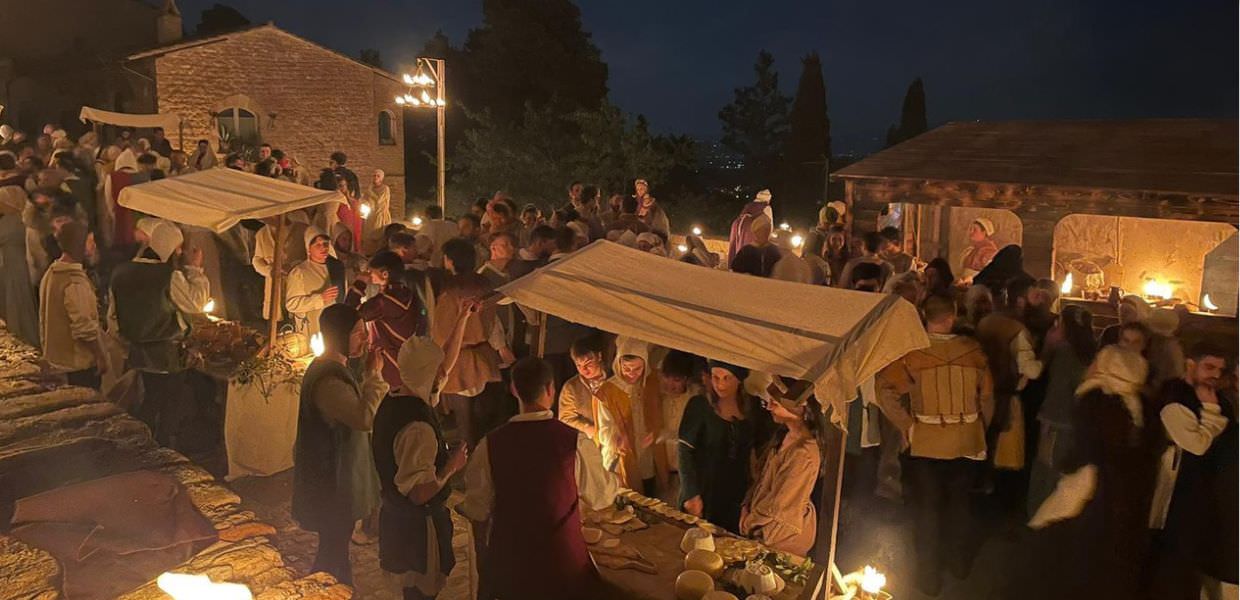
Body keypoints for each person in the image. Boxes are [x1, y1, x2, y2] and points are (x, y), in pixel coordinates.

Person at [461, 357, 618, 600]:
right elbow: (601, 497)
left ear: (514, 390)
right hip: (561, 565)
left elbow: (477, 509)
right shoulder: (574, 442)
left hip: (512, 564)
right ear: (550, 390)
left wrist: (485, 564)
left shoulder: (490, 445)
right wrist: (614, 478)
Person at [876, 295, 994, 595]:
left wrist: (906, 424)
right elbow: (987, 398)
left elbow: (884, 390)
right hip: (966, 439)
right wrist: (982, 429)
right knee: (960, 505)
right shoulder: (973, 351)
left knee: (926, 512)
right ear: (952, 315)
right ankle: (957, 564)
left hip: (925, 441)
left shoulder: (912, 355)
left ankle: (927, 579)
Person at [1024, 346, 1153, 600]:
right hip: (1125, 491)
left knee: (1078, 551)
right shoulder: (1142, 402)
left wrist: (1067, 465)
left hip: (1094, 486)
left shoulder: (1095, 398)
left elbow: (1088, 447)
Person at [372, 300, 475, 600]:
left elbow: (444, 366)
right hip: (416, 528)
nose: (442, 375)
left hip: (396, 519)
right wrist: (451, 467)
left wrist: (462, 319)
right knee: (419, 590)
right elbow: (418, 492)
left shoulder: (398, 398)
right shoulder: (417, 428)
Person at [293, 304, 389, 586]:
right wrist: (375, 376)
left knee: (334, 548)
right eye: (359, 333)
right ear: (339, 336)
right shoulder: (328, 379)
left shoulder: (336, 369)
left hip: (336, 481)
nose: (365, 339)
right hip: (331, 484)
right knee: (333, 551)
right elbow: (363, 417)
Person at [108, 221, 209, 447]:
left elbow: (112, 317)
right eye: (178, 247)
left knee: (151, 397)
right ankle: (163, 448)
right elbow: (196, 303)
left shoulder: (121, 272)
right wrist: (195, 269)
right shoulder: (168, 276)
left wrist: (125, 345)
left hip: (138, 350)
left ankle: (141, 444)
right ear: (170, 247)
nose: (180, 252)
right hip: (167, 352)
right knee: (169, 403)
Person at [1149, 343, 1237, 600]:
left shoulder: (1217, 398)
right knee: (1177, 556)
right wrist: (1211, 413)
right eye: (1209, 367)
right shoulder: (1175, 395)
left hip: (1207, 490)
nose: (1216, 375)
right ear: (1190, 364)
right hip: (1178, 490)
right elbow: (1196, 445)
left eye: (1220, 370)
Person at [434, 239, 514, 448]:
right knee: (485, 420)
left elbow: (441, 331)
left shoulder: (449, 290)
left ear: (450, 261)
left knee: (466, 425)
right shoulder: (484, 283)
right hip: (484, 355)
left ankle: (472, 464)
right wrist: (501, 348)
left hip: (458, 359)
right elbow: (494, 321)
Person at [678, 361, 774, 533]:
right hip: (703, 490)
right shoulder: (699, 405)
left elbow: (763, 449)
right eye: (716, 377)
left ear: (739, 379)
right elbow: (684, 451)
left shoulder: (753, 408)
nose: (720, 384)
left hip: (736, 492)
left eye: (726, 378)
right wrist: (690, 492)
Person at [1027, 305, 1097, 515]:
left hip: (1059, 424)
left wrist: (1047, 423)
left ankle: (1041, 515)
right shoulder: (1093, 353)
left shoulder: (1065, 354)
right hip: (1080, 425)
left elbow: (1058, 392)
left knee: (1049, 470)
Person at [975, 277, 1044, 475]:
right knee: (1001, 454)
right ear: (1021, 300)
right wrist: (1047, 353)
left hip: (983, 393)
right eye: (1035, 295)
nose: (1039, 301)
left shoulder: (987, 321)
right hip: (1005, 395)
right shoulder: (1017, 330)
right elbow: (1031, 370)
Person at [740, 395, 822, 556]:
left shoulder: (803, 454)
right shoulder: (784, 435)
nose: (769, 407)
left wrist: (750, 523)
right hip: (762, 523)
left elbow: (779, 505)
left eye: (775, 403)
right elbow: (762, 480)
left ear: (799, 407)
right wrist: (747, 506)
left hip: (781, 535)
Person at [595, 337, 670, 494]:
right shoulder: (608, 391)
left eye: (637, 369)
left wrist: (655, 431)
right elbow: (604, 426)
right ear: (618, 364)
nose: (631, 374)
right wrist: (617, 438)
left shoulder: (653, 382)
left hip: (650, 451)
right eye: (627, 368)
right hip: (625, 454)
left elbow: (664, 411)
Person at [39, 222, 107, 389]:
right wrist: (100, 355)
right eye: (90, 242)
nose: (94, 246)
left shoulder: (52, 273)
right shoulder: (74, 282)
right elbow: (84, 327)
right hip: (78, 365)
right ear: (79, 245)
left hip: (57, 359)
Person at [346, 250, 427, 390]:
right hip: (407, 360)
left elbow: (348, 313)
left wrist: (359, 284)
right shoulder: (407, 294)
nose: (370, 275)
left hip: (389, 365)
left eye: (372, 272)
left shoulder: (383, 303)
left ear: (385, 274)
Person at [0, 163, 39, 346]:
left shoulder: (12, 221)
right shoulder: (25, 218)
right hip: (15, 263)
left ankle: (23, 338)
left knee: (17, 302)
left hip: (15, 265)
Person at [285, 227, 346, 339]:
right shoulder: (299, 272)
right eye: (317, 245)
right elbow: (291, 304)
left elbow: (343, 295)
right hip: (314, 328)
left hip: (336, 325)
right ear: (309, 249)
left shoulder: (337, 267)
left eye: (325, 243)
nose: (323, 247)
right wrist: (320, 299)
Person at [251, 210, 310, 320]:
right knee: (276, 320)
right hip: (274, 287)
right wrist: (269, 270)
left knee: (297, 318)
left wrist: (293, 266)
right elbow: (257, 260)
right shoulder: (262, 234)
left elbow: (310, 257)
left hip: (297, 284)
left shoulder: (303, 230)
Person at [558, 334, 611, 438]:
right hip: (589, 442)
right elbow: (565, 417)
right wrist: (587, 428)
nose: (584, 369)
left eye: (588, 363)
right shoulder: (571, 388)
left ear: (599, 356)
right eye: (579, 365)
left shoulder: (614, 379)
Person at [728, 189, 775, 265]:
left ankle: (735, 263)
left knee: (737, 244)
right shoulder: (766, 207)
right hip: (751, 226)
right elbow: (769, 224)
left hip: (737, 224)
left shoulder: (749, 205)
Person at [959, 217, 999, 284]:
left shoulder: (991, 252)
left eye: (974, 230)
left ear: (984, 232)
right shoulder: (970, 250)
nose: (971, 232)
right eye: (970, 229)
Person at [362, 169, 392, 255]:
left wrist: (370, 192)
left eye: (378, 176)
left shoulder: (385, 189)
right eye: (374, 175)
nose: (375, 177)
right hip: (370, 216)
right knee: (368, 238)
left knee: (378, 237)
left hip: (380, 216)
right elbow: (364, 200)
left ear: (381, 178)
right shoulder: (370, 188)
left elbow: (379, 201)